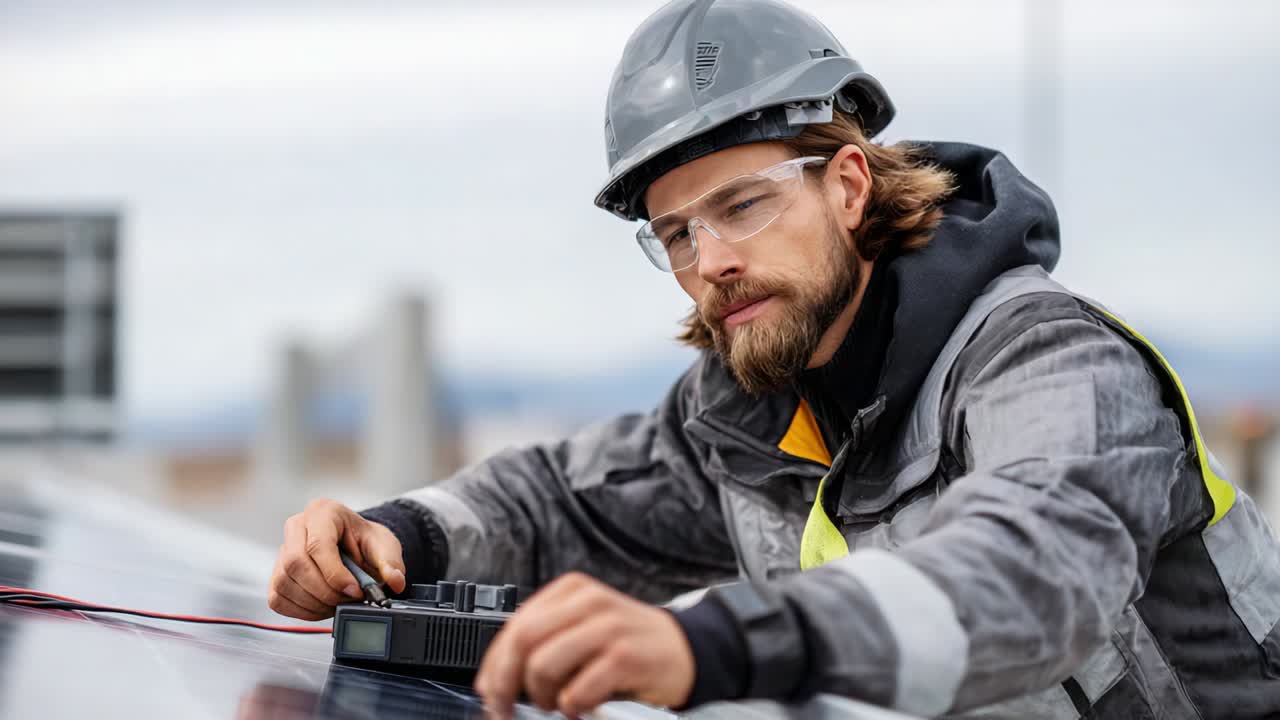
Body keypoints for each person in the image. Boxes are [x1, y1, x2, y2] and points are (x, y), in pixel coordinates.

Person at [267, 1, 1280, 718]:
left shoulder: (1048, 363)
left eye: (742, 205)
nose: (710, 263)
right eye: (673, 235)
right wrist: (394, 534)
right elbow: (566, 503)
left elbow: (1029, 578)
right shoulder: (751, 415)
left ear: (846, 184)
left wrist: (713, 645)